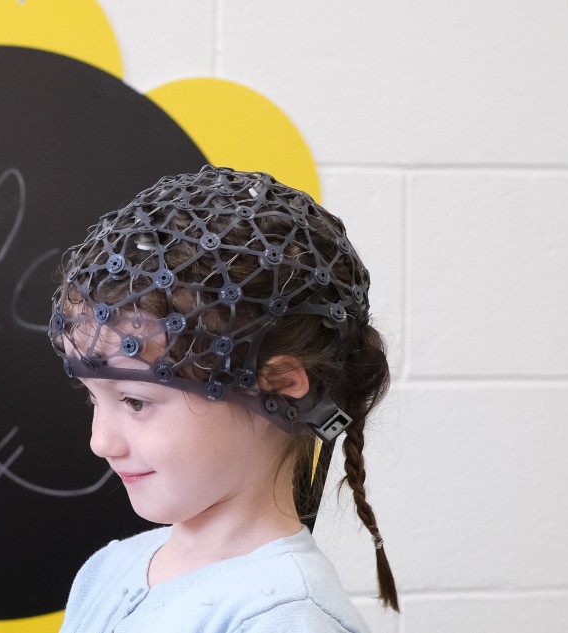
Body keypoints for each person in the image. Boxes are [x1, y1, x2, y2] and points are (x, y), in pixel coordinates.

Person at [48, 166, 397, 632]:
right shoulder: (108, 572)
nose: (100, 442)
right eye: (94, 399)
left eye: (135, 402)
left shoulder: (286, 619)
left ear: (277, 383)